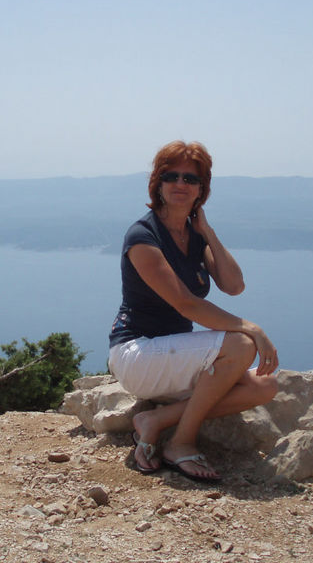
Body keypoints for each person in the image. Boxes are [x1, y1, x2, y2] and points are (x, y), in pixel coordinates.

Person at [108, 140, 280, 481]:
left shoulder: (194, 236)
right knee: (240, 345)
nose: (180, 184)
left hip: (173, 358)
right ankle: (181, 443)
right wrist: (252, 328)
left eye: (191, 179)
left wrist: (208, 232)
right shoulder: (143, 236)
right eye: (171, 176)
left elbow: (234, 285)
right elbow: (185, 303)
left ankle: (154, 420)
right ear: (157, 183)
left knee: (264, 387)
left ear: (202, 189)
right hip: (137, 353)